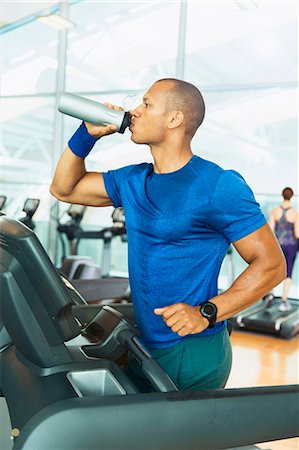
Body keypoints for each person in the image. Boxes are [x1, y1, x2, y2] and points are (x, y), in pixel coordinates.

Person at [50, 78, 286, 391]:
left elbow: (272, 264)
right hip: (149, 342)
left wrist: (207, 312)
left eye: (146, 104)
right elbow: (63, 188)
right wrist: (85, 135)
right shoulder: (134, 179)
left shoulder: (218, 185)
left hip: (193, 350)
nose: (134, 111)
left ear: (174, 119)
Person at [267, 187, 299, 311]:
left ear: (282, 195)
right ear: (291, 196)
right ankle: (284, 301)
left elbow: (270, 230)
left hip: (278, 245)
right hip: (291, 246)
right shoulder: (295, 214)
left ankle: (270, 294)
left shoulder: (275, 211)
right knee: (288, 272)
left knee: (274, 270)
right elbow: (297, 234)